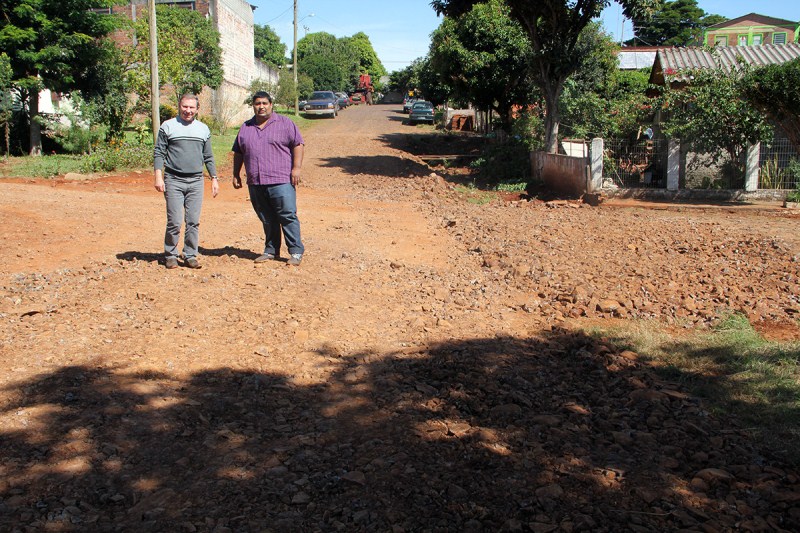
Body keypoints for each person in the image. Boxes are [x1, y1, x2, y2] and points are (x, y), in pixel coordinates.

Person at [232, 91, 305, 266]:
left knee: (287, 215)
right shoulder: (246, 127)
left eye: (264, 103)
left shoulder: (285, 123)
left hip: (281, 180)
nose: (261, 107)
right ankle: (271, 250)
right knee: (266, 217)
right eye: (257, 103)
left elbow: (298, 144)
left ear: (271, 104)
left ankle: (295, 252)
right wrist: (236, 174)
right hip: (256, 181)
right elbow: (238, 151)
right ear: (253, 106)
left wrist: (296, 168)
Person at [153, 93, 219, 269]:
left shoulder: (203, 129)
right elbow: (159, 152)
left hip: (196, 181)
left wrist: (214, 178)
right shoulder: (168, 126)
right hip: (173, 180)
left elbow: (208, 156)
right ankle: (170, 255)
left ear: (197, 109)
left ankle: (190, 255)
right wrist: (158, 176)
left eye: (191, 107)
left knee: (193, 221)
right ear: (179, 106)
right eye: (185, 106)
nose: (188, 111)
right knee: (174, 221)